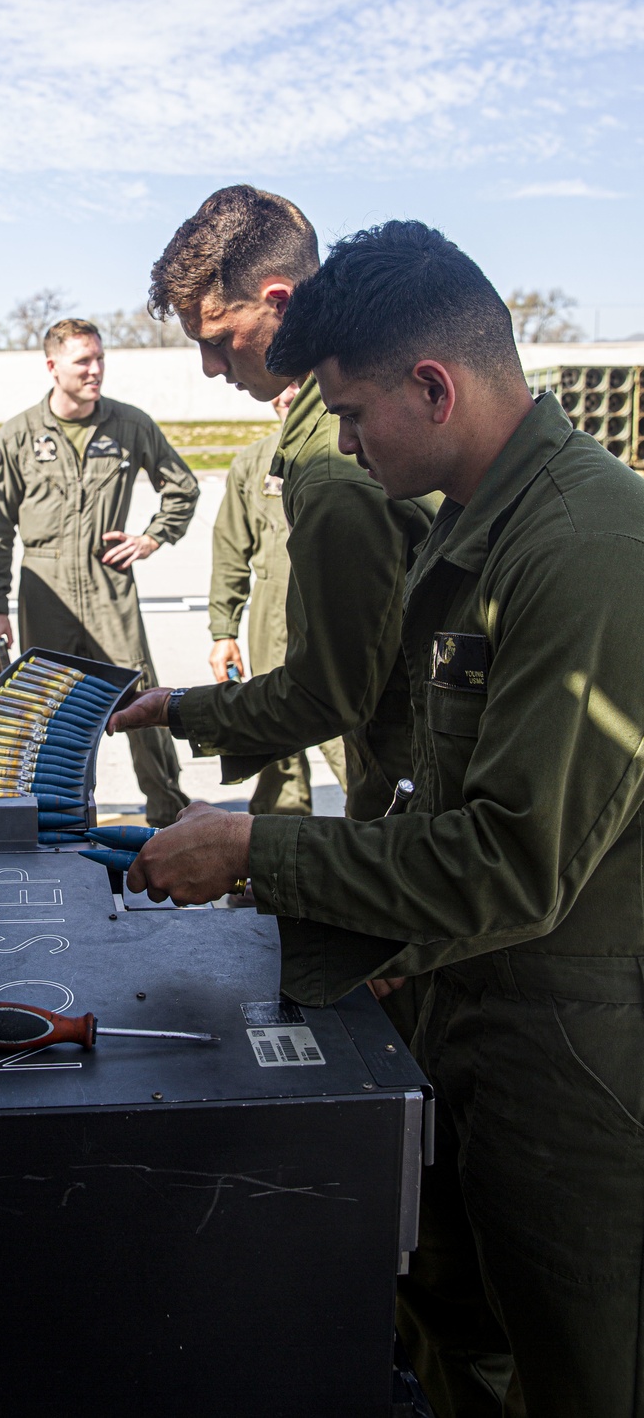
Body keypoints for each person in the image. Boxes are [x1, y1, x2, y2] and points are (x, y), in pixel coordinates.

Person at [122, 221, 644, 1418]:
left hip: (572, 1053)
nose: (343, 445)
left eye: (353, 416)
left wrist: (259, 851)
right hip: (472, 1006)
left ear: (432, 385)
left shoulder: (582, 547)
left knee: (578, 1362)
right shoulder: (476, 522)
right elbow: (424, 779)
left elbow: (515, 860)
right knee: (454, 1323)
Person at [117, 185, 436, 1040]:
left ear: (280, 303)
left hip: (423, 820)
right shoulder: (336, 433)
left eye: (220, 342)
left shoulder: (335, 465)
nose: (214, 369)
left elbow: (333, 695)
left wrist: (184, 710)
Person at [0, 318, 198, 827]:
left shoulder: (130, 425)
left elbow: (181, 487)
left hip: (108, 587)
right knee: (46, 714)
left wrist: (153, 536)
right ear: (53, 367)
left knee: (142, 704)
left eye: (100, 358)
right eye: (83, 361)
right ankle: (57, 821)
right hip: (43, 587)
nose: (96, 370)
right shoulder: (18, 436)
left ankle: (170, 816)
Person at [208, 379, 347, 820]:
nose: (286, 396)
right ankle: (276, 859)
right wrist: (223, 631)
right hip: (271, 618)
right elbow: (231, 549)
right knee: (275, 739)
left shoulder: (350, 449)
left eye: (297, 385)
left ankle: (380, 835)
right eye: (279, 387)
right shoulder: (253, 464)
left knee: (350, 737)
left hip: (335, 614)